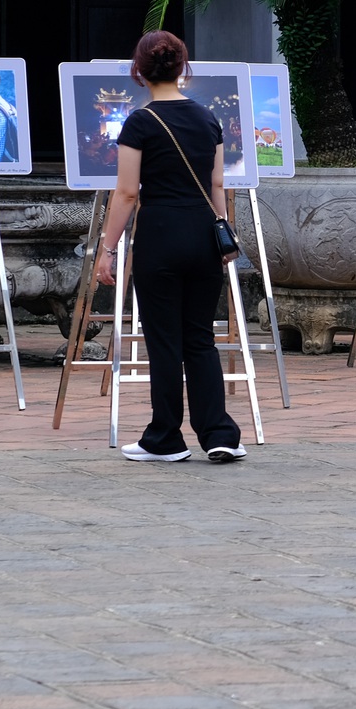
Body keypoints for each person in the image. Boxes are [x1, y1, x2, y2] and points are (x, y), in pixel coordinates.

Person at [92, 30, 246, 463]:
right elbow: (217, 182)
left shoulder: (140, 123)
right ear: (183, 68)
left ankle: (165, 438)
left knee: (164, 342)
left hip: (159, 235)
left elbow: (126, 193)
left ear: (138, 72)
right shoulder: (206, 118)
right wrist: (221, 231)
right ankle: (220, 434)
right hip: (203, 235)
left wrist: (107, 248)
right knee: (200, 339)